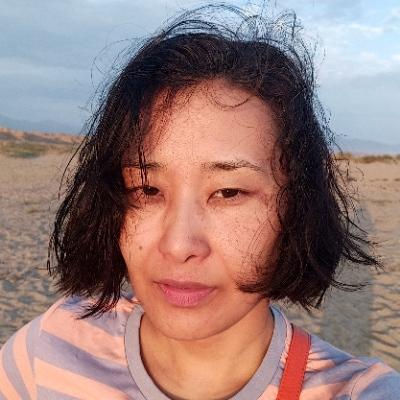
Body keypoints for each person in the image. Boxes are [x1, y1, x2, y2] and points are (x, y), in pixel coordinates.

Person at [1, 3, 399, 400]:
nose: (178, 246)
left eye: (229, 192)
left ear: (296, 209)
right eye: (147, 190)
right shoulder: (47, 351)